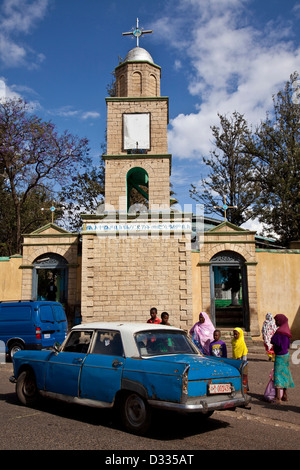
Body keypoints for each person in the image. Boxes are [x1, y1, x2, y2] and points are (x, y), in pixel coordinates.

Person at [270, 314, 295, 404]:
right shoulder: (286, 331)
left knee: (278, 375)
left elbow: (273, 340)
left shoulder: (280, 332)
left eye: (277, 320)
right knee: (285, 374)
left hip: (280, 356)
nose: (276, 322)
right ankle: (285, 395)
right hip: (286, 355)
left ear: (280, 321)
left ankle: (278, 398)